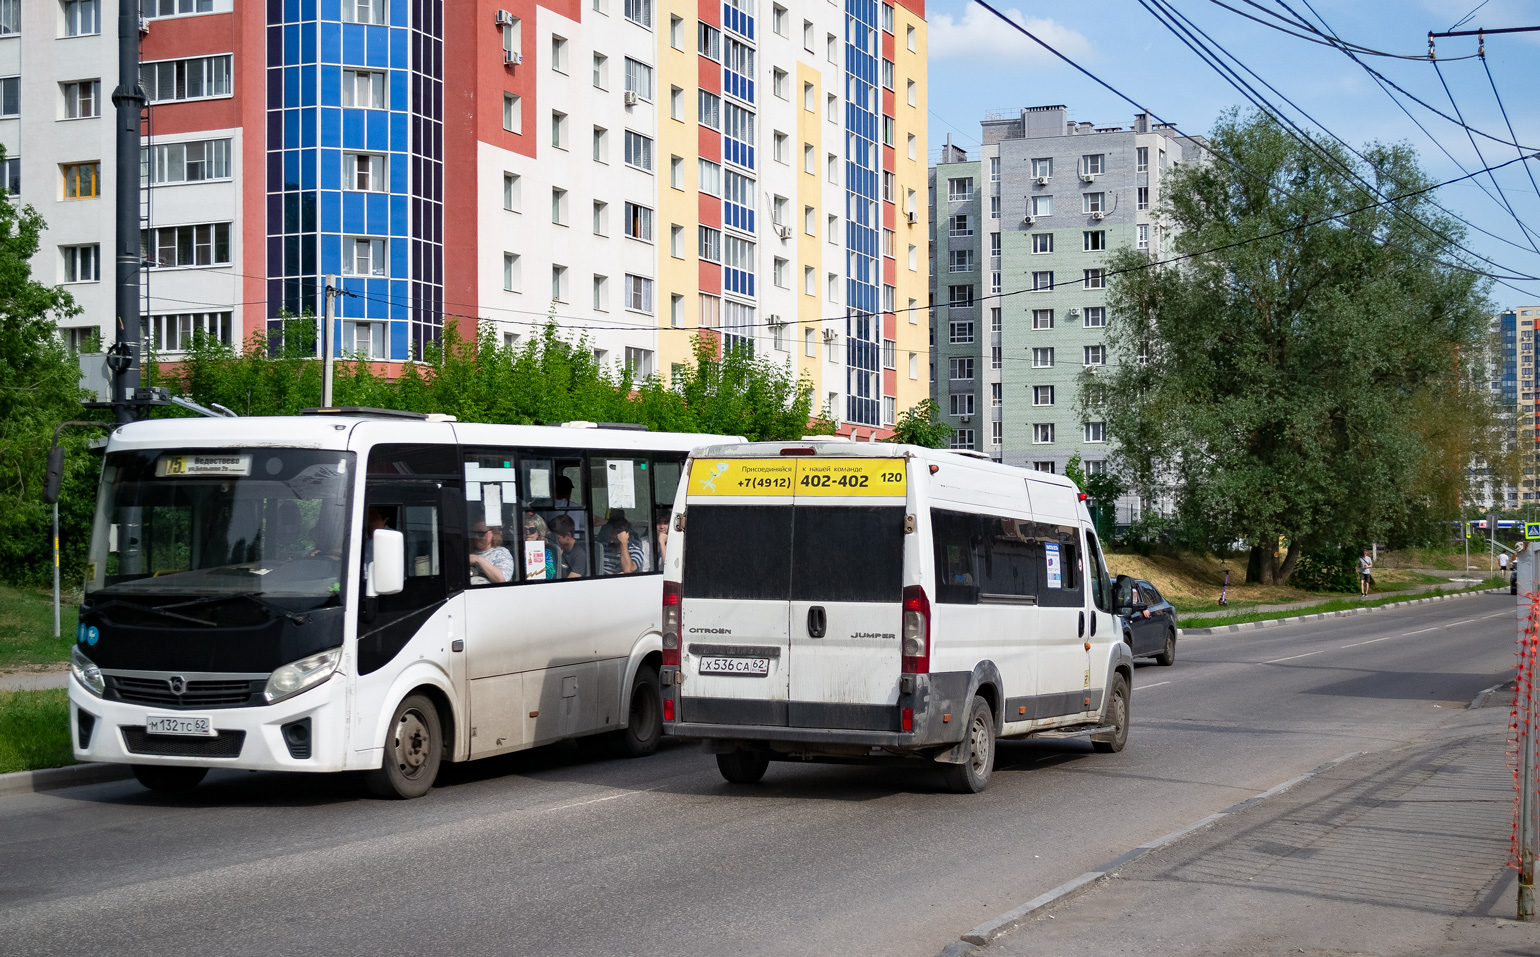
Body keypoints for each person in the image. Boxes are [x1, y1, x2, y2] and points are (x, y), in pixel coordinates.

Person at [469, 516, 515, 585]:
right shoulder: (469, 552)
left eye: (481, 533)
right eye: (474, 533)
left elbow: (502, 579)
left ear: (492, 533)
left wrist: (479, 560)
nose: (476, 537)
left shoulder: (501, 553)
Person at [599, 511, 646, 575]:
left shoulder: (635, 551)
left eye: (615, 538)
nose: (611, 541)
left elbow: (628, 570)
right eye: (610, 537)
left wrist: (623, 543)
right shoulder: (601, 548)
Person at [549, 513, 588, 579]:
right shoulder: (557, 549)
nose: (554, 540)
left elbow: (572, 579)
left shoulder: (579, 554)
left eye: (557, 537)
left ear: (568, 536)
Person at [522, 513, 557, 581]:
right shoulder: (516, 550)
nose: (527, 532)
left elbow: (549, 575)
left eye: (532, 530)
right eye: (524, 529)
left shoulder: (546, 553)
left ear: (539, 532)